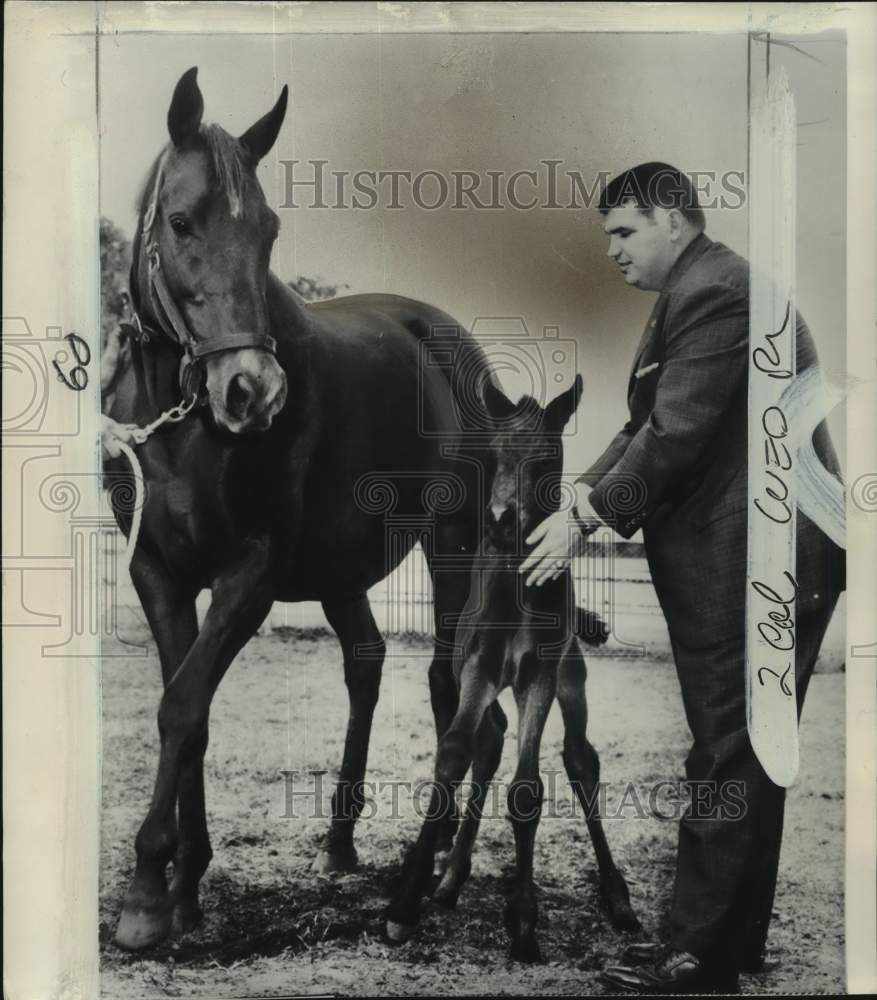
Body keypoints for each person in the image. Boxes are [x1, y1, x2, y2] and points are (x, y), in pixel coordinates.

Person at [519, 162, 845, 993]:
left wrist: (584, 519)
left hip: (758, 562)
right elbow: (639, 427)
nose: (613, 253)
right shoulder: (699, 291)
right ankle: (723, 947)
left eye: (624, 232)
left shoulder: (718, 292)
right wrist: (570, 500)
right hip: (756, 558)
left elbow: (673, 434)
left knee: (728, 750)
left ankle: (696, 958)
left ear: (672, 219)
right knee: (746, 751)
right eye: (606, 238)